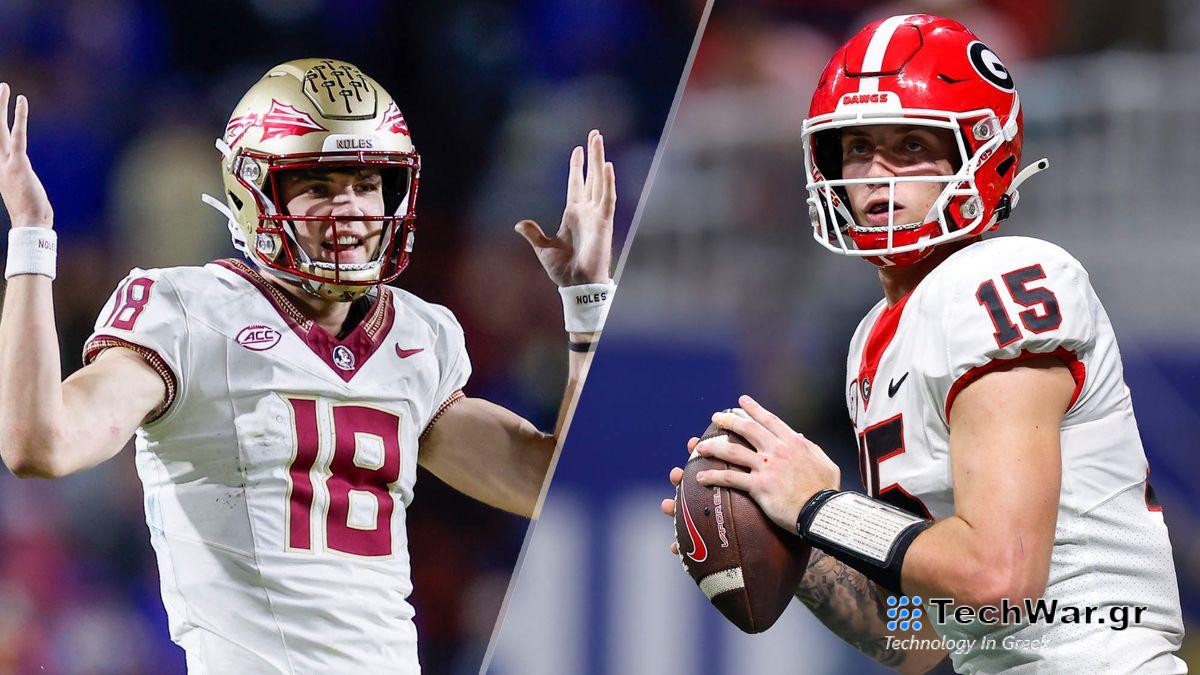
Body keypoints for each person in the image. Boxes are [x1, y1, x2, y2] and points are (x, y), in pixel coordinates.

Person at [0, 58, 616, 673]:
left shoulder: (417, 335)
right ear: (252, 193)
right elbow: (41, 443)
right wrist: (31, 236)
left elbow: (552, 486)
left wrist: (585, 304)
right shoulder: (188, 312)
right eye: (319, 187)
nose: (350, 209)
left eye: (367, 184)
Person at [662, 15, 1185, 673]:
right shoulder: (873, 338)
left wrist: (820, 505)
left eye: (910, 145)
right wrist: (791, 539)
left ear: (982, 156)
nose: (875, 173)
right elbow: (918, 637)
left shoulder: (1000, 278)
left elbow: (1000, 581)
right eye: (857, 147)